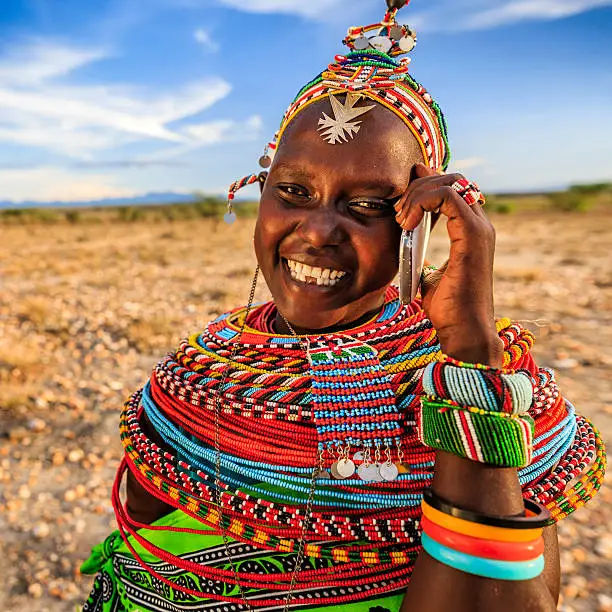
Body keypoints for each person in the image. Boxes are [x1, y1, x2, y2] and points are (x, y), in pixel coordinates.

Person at [81, 2, 605, 611]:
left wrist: (470, 352)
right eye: (294, 192)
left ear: (420, 225)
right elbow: (142, 549)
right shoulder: (197, 381)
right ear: (261, 194)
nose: (317, 231)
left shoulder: (495, 383)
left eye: (367, 205)